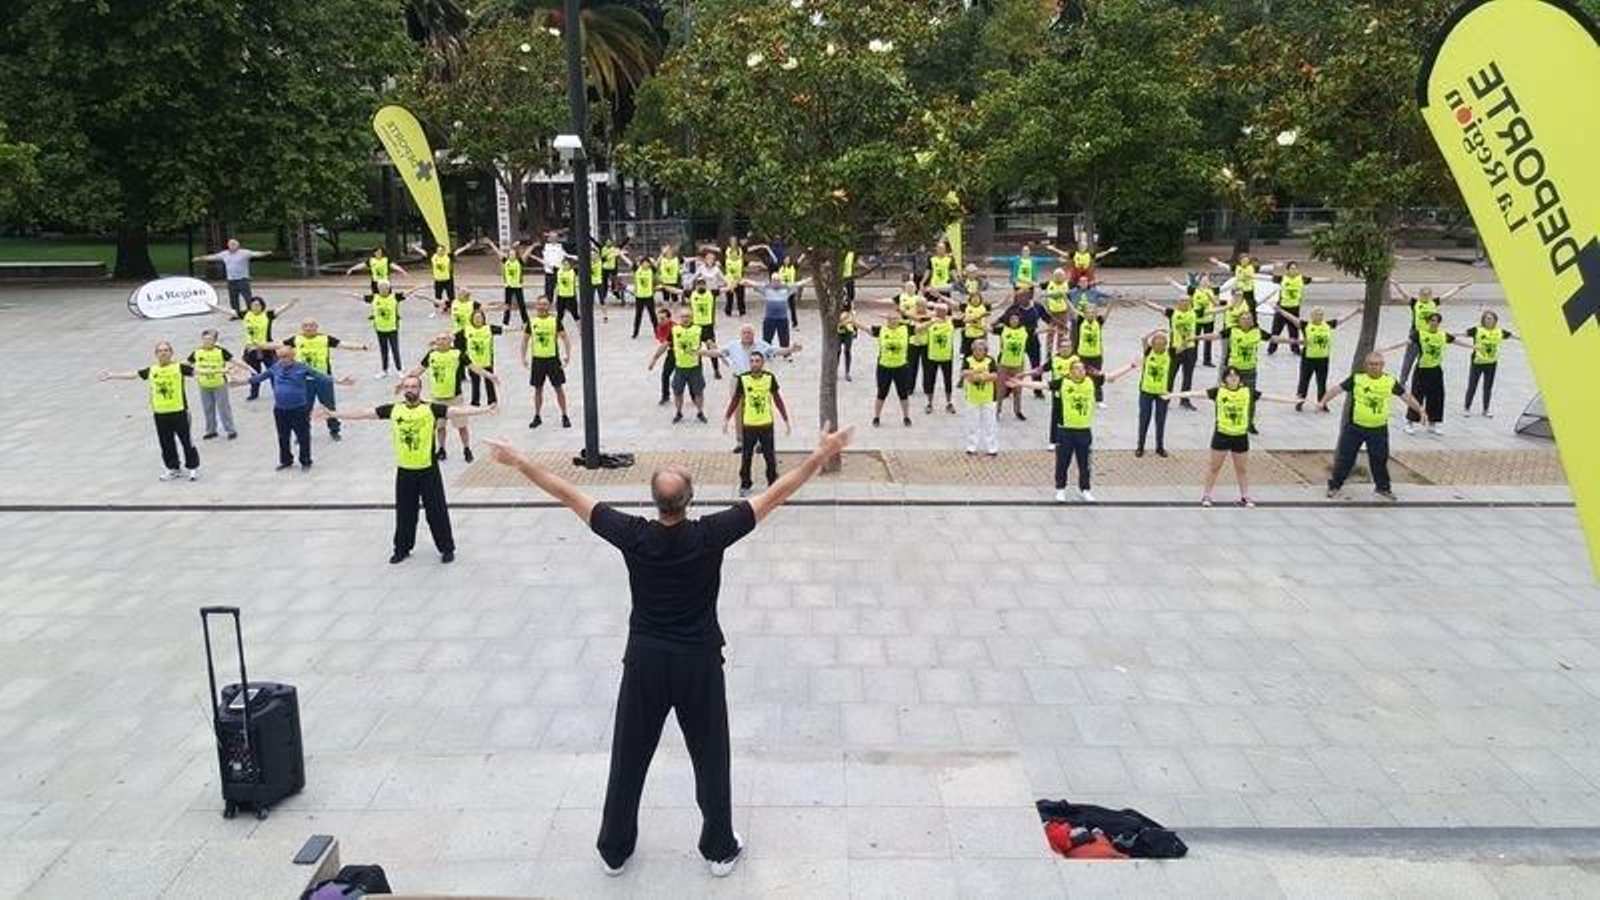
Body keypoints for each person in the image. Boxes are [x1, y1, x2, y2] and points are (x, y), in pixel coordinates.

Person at [484, 424, 854, 879]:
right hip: (698, 659)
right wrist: (821, 454)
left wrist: (519, 461)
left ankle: (614, 849)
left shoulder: (632, 533)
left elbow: (567, 494)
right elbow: (778, 493)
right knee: (710, 753)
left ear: (655, 501)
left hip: (644, 660)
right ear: (690, 499)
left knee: (629, 754)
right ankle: (719, 848)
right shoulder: (711, 534)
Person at [319, 375, 498, 564]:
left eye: (414, 386)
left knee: (436, 511)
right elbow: (364, 413)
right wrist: (333, 414)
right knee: (405, 513)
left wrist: (485, 409)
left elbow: (457, 410)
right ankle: (402, 549)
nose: (410, 389)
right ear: (403, 390)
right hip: (405, 471)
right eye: (407, 387)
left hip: (428, 470)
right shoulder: (394, 410)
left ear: (420, 389)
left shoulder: (430, 409)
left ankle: (446, 548)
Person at [1166, 367, 1301, 507]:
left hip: (1240, 436)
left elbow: (1270, 397)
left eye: (1236, 376)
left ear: (1240, 378)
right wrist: (1172, 395)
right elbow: (1195, 394)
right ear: (1225, 379)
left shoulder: (1247, 392)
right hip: (1221, 435)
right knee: (1214, 467)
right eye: (1230, 376)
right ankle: (1206, 496)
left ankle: (1245, 496)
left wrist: (1293, 400)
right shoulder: (1218, 391)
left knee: (1241, 469)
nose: (1233, 378)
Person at [1010, 357, 1128, 503]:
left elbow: (1112, 376)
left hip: (1084, 430)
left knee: (1084, 463)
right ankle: (1060, 489)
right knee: (1063, 461)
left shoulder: (1091, 381)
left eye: (1082, 369)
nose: (1080, 371)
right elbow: (1043, 385)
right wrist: (1021, 383)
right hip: (1065, 430)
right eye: (1076, 369)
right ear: (1070, 371)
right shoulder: (1063, 382)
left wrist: (1132, 366)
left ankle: (1085, 489)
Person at [1319, 352, 1429, 500]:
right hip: (1354, 428)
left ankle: (1383, 488)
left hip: (1378, 429)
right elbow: (1337, 389)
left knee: (1379, 459)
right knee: (1345, 458)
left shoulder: (1389, 381)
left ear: (1382, 366)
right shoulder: (1357, 379)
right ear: (1366, 365)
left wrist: (1420, 410)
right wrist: (1323, 401)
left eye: (1377, 364)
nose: (1374, 367)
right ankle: (1334, 486)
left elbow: (1406, 397)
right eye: (1371, 364)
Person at [99, 341, 204, 480]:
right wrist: (112, 375)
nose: (163, 353)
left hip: (179, 412)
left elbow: (199, 371)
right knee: (166, 443)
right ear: (156, 354)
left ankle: (192, 468)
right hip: (160, 414)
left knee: (186, 441)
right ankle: (173, 468)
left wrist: (223, 371)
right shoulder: (152, 370)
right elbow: (134, 375)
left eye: (166, 350)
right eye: (160, 351)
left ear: (171, 353)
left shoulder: (179, 367)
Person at [239, 345, 352, 471]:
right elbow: (259, 378)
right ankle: (286, 460)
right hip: (280, 410)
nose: (282, 360)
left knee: (303, 436)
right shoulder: (275, 368)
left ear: (293, 356)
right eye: (279, 357)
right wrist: (240, 382)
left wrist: (339, 381)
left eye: (285, 357)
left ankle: (305, 461)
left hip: (298, 409)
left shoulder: (302, 368)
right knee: (283, 437)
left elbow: (321, 377)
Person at [1194, 309, 1297, 433]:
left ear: (1253, 321)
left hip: (1249, 370)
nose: (1246, 320)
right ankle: (1220, 420)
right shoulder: (1232, 331)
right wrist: (1196, 337)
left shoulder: (1257, 332)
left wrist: (1293, 341)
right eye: (1244, 318)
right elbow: (1215, 336)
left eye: (1249, 318)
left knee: (1251, 397)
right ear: (1239, 321)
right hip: (1232, 371)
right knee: (1223, 396)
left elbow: (1273, 338)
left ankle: (1249, 423)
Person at [410, 333, 498, 461]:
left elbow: (474, 367)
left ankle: (467, 448)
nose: (440, 341)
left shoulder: (458, 354)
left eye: (444, 339)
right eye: (438, 339)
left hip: (455, 397)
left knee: (461, 426)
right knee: (440, 427)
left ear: (450, 341)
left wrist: (489, 375)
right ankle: (441, 449)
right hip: (437, 398)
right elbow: (418, 370)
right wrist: (404, 383)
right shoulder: (431, 355)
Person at [283, 319, 369, 442]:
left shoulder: (325, 338)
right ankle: (302, 433)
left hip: (324, 379)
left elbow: (342, 344)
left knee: (329, 406)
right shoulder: (295, 339)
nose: (308, 328)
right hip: (304, 380)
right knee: (304, 408)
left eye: (311, 326)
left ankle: (334, 430)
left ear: (316, 327)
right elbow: (278, 345)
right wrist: (260, 345)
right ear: (302, 328)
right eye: (305, 326)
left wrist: (362, 346)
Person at [722, 351, 792, 496]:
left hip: (766, 424)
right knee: (746, 456)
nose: (755, 363)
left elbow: (778, 400)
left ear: (762, 363)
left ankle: (773, 483)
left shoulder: (769, 378)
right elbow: (735, 400)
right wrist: (726, 419)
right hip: (749, 425)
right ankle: (745, 484)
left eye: (757, 361)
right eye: (752, 361)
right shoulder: (743, 379)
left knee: (769, 456)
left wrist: (786, 420)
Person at [1268, 305, 1360, 411]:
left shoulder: (1327, 325)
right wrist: (1280, 310)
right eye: (1316, 314)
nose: (1319, 316)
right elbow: (1291, 318)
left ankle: (1322, 403)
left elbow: (1343, 318)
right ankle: (1299, 402)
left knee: (1321, 382)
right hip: (1308, 359)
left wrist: (1356, 311)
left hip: (1323, 359)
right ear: (1311, 316)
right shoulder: (1306, 325)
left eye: (1321, 314)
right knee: (1304, 381)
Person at [1380, 312, 1457, 435]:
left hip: (1436, 370)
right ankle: (1409, 422)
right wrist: (1387, 348)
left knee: (1437, 396)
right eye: (1432, 320)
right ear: (1428, 322)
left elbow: (1456, 341)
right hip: (1422, 369)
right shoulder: (1419, 334)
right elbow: (1405, 343)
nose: (1434, 323)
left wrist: (1474, 347)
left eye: (1436, 321)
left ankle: (1433, 423)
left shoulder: (1442, 335)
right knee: (1417, 395)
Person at [1106, 330, 1176, 458]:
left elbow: (1183, 344)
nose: (1160, 346)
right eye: (1157, 344)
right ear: (1153, 345)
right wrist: (1155, 331)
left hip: (1163, 393)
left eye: (1162, 344)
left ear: (1166, 345)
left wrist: (1174, 333)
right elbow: (1143, 339)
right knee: (1144, 419)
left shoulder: (1169, 354)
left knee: (1160, 420)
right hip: (1146, 391)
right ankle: (1140, 446)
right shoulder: (1148, 353)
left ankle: (1159, 447)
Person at [648, 298, 711, 424]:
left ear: (692, 318)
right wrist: (654, 359)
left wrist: (716, 351)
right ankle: (678, 412)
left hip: (695, 367)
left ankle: (700, 412)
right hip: (680, 367)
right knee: (678, 392)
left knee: (698, 392)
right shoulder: (675, 330)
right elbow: (665, 344)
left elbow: (709, 342)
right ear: (679, 318)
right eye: (683, 317)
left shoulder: (699, 329)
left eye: (688, 316)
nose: (685, 319)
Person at [1392, 281, 1469, 382]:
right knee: (1409, 358)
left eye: (1427, 295)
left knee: (1427, 358)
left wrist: (1459, 287)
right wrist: (1396, 285)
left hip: (1430, 334)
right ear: (1419, 295)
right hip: (1416, 333)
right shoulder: (1415, 303)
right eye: (1423, 294)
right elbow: (1403, 294)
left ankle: (1422, 379)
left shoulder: (1434, 303)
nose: (1425, 296)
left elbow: (1447, 296)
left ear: (1431, 296)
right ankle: (1403, 380)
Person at [519, 297, 574, 430]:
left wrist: (567, 354)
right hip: (538, 360)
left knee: (558, 388)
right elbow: (525, 340)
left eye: (545, 304)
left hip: (553, 359)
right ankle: (537, 416)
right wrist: (523, 357)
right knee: (538, 389)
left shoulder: (555, 321)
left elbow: (565, 337)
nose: (542, 307)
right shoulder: (532, 322)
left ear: (549, 306)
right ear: (536, 306)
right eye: (540, 304)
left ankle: (565, 415)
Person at [1138, 294, 1199, 408]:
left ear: (1190, 302)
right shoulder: (1173, 313)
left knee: (1188, 376)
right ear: (1178, 303)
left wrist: (1229, 306)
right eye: (1182, 301)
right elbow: (1158, 308)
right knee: (1170, 375)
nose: (1185, 303)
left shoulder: (1195, 313)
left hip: (1190, 349)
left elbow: (1212, 311)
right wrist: (1145, 302)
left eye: (1187, 301)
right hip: (1175, 349)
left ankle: (1184, 400)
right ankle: (1166, 398)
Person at [239, 295, 299, 399]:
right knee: (254, 372)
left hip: (267, 348)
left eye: (258, 305)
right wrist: (213, 306)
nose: (256, 307)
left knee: (274, 370)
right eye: (253, 305)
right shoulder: (245, 315)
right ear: (250, 306)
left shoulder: (267, 315)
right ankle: (254, 393)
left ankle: (277, 392)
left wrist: (290, 304)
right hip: (251, 349)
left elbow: (280, 310)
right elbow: (229, 312)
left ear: (262, 306)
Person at [194, 238, 271, 317]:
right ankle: (235, 314)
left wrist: (266, 253)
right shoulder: (224, 254)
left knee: (247, 297)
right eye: (230, 244)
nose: (232, 246)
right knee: (233, 299)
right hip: (231, 280)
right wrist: (200, 258)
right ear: (228, 245)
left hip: (243, 279)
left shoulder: (244, 253)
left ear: (238, 245)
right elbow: (213, 257)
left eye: (234, 244)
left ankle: (251, 313)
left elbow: (256, 254)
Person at [1462, 310, 1518, 417]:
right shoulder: (1476, 330)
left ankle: (1486, 409)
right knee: (1472, 385)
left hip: (1491, 363)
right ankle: (1467, 408)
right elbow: (1462, 334)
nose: (1488, 321)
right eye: (1486, 318)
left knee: (1488, 387)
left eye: (1491, 319)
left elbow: (1513, 337)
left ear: (1495, 320)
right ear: (1483, 320)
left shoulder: (1499, 331)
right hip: (1477, 362)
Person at [353, 280, 414, 378]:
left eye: (385, 288)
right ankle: (384, 370)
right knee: (383, 350)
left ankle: (399, 370)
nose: (383, 290)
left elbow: (407, 293)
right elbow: (360, 297)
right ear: (378, 289)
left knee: (395, 350)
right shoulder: (374, 298)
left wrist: (419, 288)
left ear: (389, 288)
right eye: (381, 288)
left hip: (392, 329)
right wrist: (347, 294)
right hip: (380, 329)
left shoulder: (394, 297)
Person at [187, 328, 239, 440]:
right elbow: (187, 364)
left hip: (219, 384)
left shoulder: (221, 351)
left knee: (223, 408)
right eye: (205, 339)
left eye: (210, 339)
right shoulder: (197, 352)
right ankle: (211, 430)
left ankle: (230, 430)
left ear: (215, 341)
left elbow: (235, 361)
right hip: (204, 384)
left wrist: (244, 368)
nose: (207, 342)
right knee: (208, 408)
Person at [869, 309, 916, 427]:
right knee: (881, 393)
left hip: (901, 367)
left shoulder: (906, 329)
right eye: (890, 318)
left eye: (896, 318)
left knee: (903, 394)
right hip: (884, 367)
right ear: (887, 320)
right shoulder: (881, 330)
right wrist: (853, 322)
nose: (893, 320)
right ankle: (876, 417)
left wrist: (933, 321)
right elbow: (867, 329)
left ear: (900, 320)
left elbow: (920, 327)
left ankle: (906, 417)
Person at [961, 337, 1001, 456]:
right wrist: (977, 373)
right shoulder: (968, 360)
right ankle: (971, 446)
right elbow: (964, 373)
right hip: (972, 397)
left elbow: (995, 375)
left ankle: (992, 448)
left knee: (990, 423)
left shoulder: (990, 361)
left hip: (988, 397)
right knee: (972, 424)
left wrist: (981, 377)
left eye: (981, 350)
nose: (978, 352)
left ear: (985, 351)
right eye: (976, 350)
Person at [1266, 262, 1316, 355]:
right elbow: (1269, 278)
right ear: (1288, 270)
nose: (1294, 270)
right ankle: (1271, 349)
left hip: (1294, 308)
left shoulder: (1301, 278)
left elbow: (1315, 280)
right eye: (1292, 268)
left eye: (1295, 268)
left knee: (1293, 331)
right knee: (1276, 330)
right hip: (1282, 308)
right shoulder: (1282, 278)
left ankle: (1295, 349)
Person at [992, 309, 1033, 421]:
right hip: (1003, 363)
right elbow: (988, 329)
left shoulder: (1024, 330)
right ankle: (997, 410)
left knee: (1018, 389)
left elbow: (1038, 331)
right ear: (1008, 320)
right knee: (1000, 389)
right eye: (1011, 319)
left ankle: (1017, 411)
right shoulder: (1003, 330)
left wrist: (1053, 328)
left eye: (1016, 319)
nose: (1014, 321)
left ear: (1019, 320)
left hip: (1018, 364)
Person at [755, 269, 810, 350]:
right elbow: (753, 284)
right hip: (769, 318)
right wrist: (742, 281)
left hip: (782, 319)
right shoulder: (766, 288)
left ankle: (786, 354)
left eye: (778, 280)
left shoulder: (786, 289)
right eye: (774, 280)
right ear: (771, 280)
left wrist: (809, 279)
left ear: (780, 281)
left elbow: (798, 284)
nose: (776, 282)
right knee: (767, 338)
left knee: (784, 338)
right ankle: (766, 353)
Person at [463, 308, 505, 408]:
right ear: (471, 319)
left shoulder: (489, 328)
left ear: (484, 319)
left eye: (480, 318)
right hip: (473, 363)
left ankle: (492, 401)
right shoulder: (466, 330)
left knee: (489, 382)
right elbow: (454, 337)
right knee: (475, 383)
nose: (478, 320)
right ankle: (475, 402)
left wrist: (523, 329)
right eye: (475, 318)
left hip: (487, 362)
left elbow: (504, 330)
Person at [922, 301, 958, 414]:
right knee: (930, 380)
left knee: (947, 380)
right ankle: (929, 403)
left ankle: (949, 402)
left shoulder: (951, 322)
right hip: (932, 357)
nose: (941, 313)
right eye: (939, 311)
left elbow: (965, 318)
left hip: (946, 357)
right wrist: (930, 322)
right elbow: (917, 329)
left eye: (943, 311)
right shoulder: (930, 322)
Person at [487, 239, 533, 325]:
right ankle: (506, 321)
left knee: (521, 304)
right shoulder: (505, 261)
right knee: (507, 305)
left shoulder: (519, 261)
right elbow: (497, 252)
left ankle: (525, 321)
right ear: (508, 255)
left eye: (513, 254)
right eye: (510, 254)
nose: (512, 256)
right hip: (508, 286)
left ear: (516, 255)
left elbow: (527, 253)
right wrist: (491, 244)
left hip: (517, 286)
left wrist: (532, 247)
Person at [687, 277, 724, 380]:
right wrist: (664, 287)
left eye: (703, 284)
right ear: (696, 285)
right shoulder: (691, 293)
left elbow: (726, 289)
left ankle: (716, 370)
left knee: (712, 350)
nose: (701, 286)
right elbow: (677, 291)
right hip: (696, 327)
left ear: (706, 285)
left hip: (708, 327)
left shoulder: (711, 293)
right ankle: (697, 372)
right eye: (699, 284)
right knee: (696, 350)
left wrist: (736, 282)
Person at [1208, 253, 1273, 307]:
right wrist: (1217, 262)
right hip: (1238, 289)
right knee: (1237, 304)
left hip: (1248, 290)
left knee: (1250, 306)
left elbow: (1264, 268)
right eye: (1243, 260)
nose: (1245, 261)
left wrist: (1274, 266)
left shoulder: (1252, 267)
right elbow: (1226, 267)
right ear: (1240, 261)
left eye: (1246, 260)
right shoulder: (1236, 267)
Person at [1048, 238, 1118, 285]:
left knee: (1089, 284)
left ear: (1086, 247)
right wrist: (1054, 249)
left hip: (1086, 273)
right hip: (1076, 273)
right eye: (1081, 246)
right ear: (1079, 246)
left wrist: (1109, 251)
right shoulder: (1074, 254)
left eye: (1084, 246)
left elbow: (1099, 255)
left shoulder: (1089, 254)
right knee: (1072, 284)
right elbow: (1063, 253)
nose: (1082, 247)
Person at [428, 242, 467, 306]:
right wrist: (416, 248)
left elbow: (457, 252)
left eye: (441, 251)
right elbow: (424, 253)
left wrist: (465, 247)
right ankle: (439, 308)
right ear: (436, 251)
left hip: (448, 280)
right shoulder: (433, 257)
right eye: (438, 250)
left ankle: (451, 306)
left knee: (451, 296)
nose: (440, 252)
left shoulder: (448, 256)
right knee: (437, 297)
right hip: (438, 280)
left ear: (444, 251)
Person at [630, 258, 661, 339]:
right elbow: (629, 262)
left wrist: (661, 254)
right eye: (644, 263)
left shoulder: (652, 271)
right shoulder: (637, 270)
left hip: (649, 297)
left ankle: (657, 332)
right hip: (639, 297)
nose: (646, 264)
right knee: (638, 316)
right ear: (641, 264)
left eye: (647, 263)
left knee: (653, 315)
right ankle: (635, 332)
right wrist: (621, 254)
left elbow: (657, 262)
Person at [653, 306, 676, 404]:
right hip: (671, 353)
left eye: (662, 318)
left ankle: (694, 396)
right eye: (659, 318)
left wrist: (654, 359)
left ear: (669, 319)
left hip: (682, 354)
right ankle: (665, 396)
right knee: (665, 375)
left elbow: (665, 344)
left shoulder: (675, 328)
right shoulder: (658, 328)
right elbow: (664, 344)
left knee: (686, 377)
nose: (660, 321)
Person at [837, 302, 858, 382]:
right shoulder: (836, 306)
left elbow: (854, 321)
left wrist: (855, 331)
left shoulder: (851, 310)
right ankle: (835, 371)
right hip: (838, 332)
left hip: (848, 333)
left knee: (847, 351)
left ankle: (847, 372)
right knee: (837, 351)